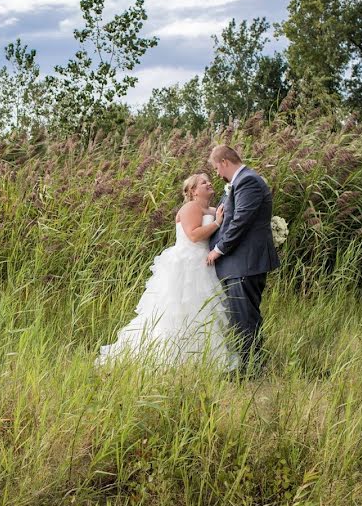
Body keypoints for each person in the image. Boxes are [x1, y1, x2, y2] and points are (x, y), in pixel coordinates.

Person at [96, 174, 238, 368]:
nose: (209, 183)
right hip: (187, 264)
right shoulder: (190, 207)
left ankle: (200, 360)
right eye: (203, 182)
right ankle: (165, 357)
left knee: (203, 313)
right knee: (179, 311)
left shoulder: (213, 209)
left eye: (208, 180)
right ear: (193, 191)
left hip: (205, 264)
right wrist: (217, 223)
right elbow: (194, 235)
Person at [206, 145, 280, 374]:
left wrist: (218, 249)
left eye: (217, 167)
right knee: (242, 316)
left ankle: (250, 369)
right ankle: (250, 364)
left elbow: (240, 221)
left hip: (245, 263)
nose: (217, 174)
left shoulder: (248, 181)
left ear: (225, 162)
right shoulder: (239, 183)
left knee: (245, 317)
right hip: (240, 263)